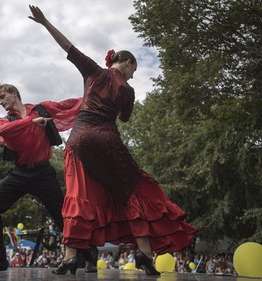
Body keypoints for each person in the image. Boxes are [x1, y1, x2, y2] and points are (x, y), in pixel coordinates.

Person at [29, 5, 198, 276]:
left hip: (78, 140)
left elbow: (67, 46)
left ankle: (70, 256)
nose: (134, 75)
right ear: (128, 62)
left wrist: (45, 21)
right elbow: (125, 118)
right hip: (106, 140)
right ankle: (144, 253)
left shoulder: (94, 71)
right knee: (134, 191)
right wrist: (120, 96)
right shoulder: (127, 90)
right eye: (135, 69)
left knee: (77, 195)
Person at [0, 84, 82, 272]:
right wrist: (32, 122)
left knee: (63, 214)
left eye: (2, 97)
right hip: (20, 173)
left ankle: (86, 256)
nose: (0, 102)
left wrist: (90, 97)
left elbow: (66, 105)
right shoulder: (5, 121)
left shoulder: (40, 109)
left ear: (14, 93)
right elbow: (4, 133)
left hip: (43, 173)